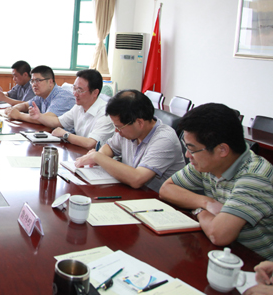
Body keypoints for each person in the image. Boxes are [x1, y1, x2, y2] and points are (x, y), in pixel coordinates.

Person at [159, 103, 273, 260]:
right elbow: (166, 189)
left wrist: (199, 211)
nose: (187, 155)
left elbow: (218, 235)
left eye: (192, 149)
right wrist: (206, 202)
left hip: (252, 263)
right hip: (220, 253)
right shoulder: (208, 162)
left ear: (222, 150)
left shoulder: (255, 177)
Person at [75, 90, 185, 192]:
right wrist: (100, 155)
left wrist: (97, 157)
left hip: (157, 201)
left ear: (139, 123)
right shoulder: (128, 130)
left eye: (119, 127)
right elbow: (110, 147)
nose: (116, 131)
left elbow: (137, 179)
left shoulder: (164, 139)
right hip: (134, 194)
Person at [29, 69, 114, 150]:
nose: (75, 94)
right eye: (74, 88)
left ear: (95, 92)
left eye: (80, 90)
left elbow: (91, 143)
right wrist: (39, 116)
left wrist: (66, 135)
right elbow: (58, 121)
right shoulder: (79, 106)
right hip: (81, 153)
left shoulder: (106, 113)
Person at [5, 65, 74, 124]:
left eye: (38, 80)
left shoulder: (63, 96)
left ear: (50, 82)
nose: (34, 84)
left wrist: (19, 115)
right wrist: (13, 109)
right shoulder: (42, 95)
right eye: (32, 81)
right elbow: (25, 105)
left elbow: (46, 119)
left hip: (64, 135)